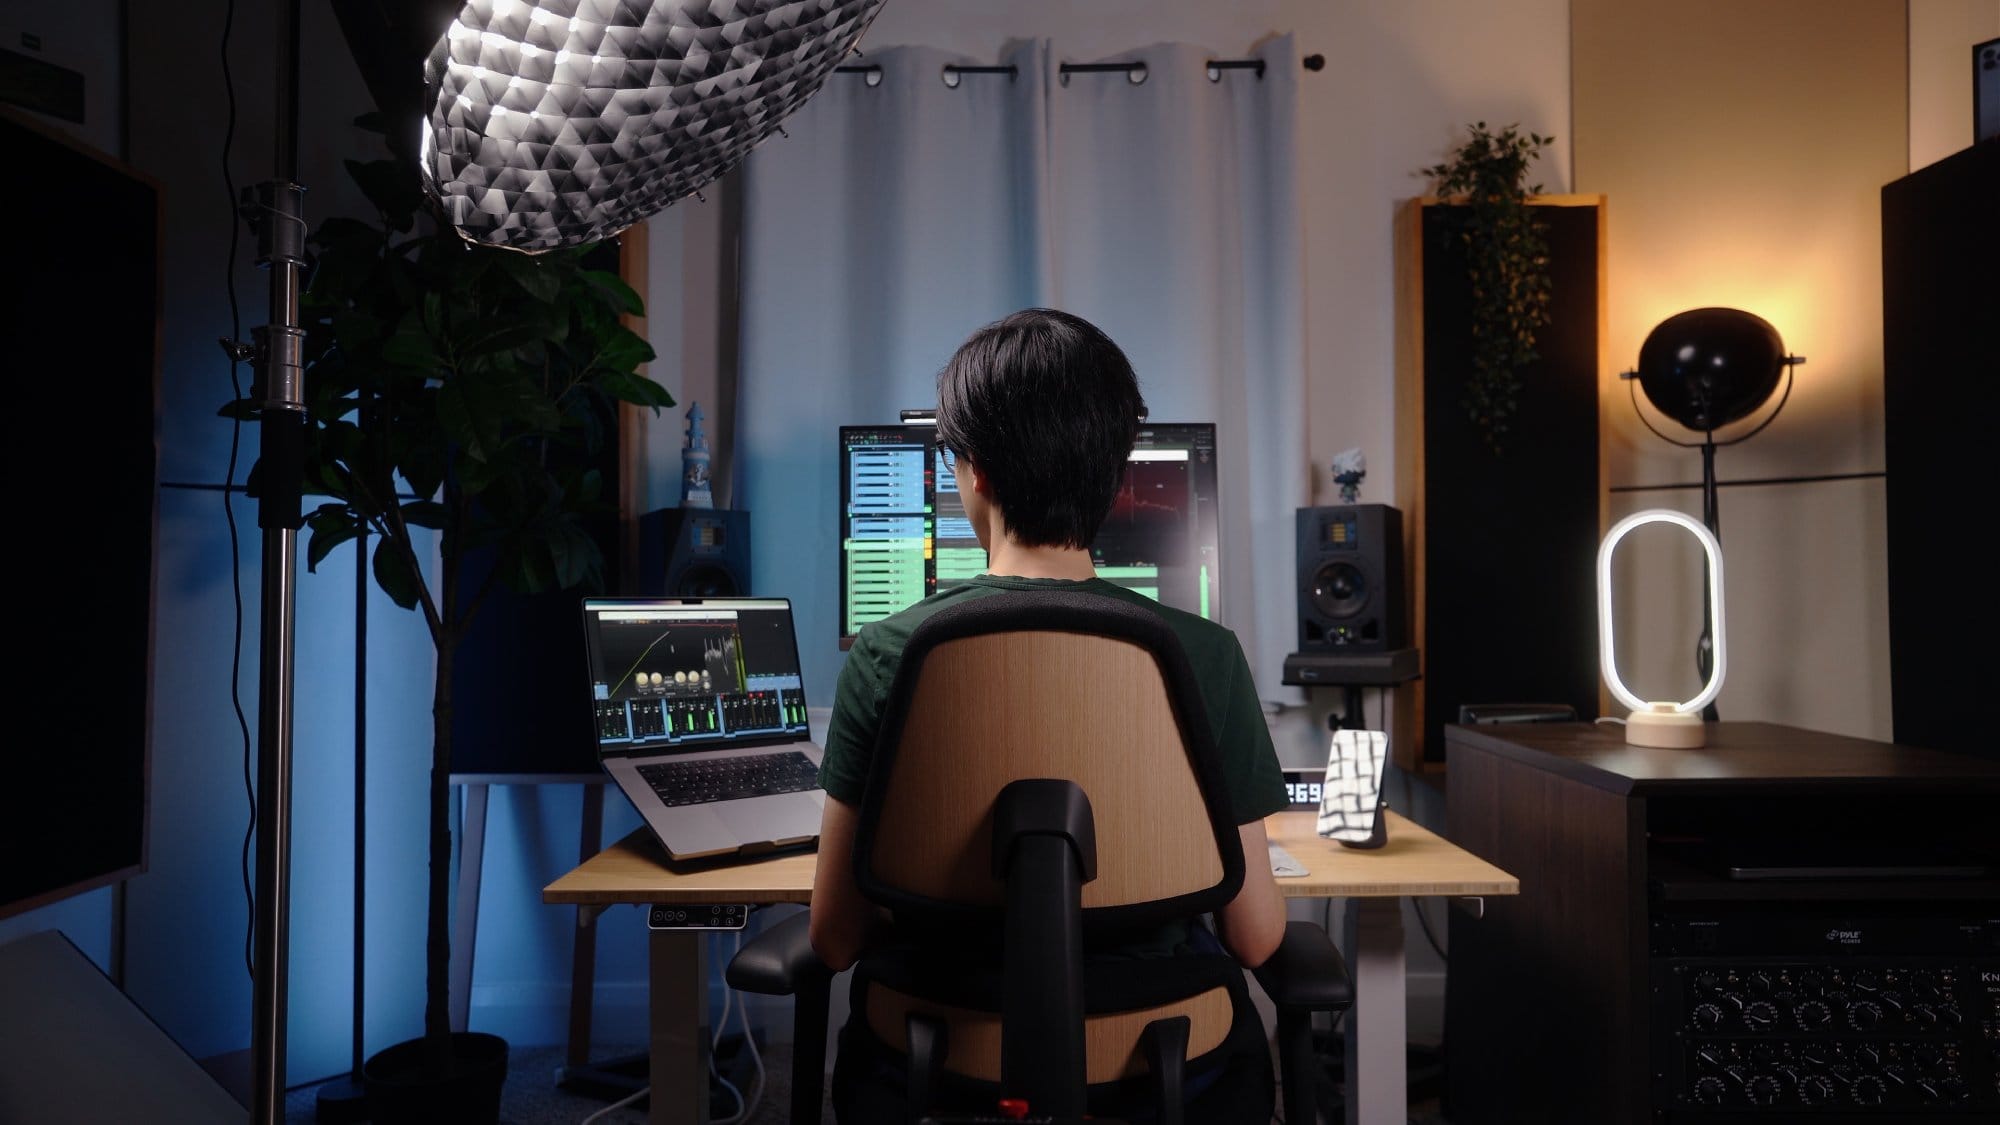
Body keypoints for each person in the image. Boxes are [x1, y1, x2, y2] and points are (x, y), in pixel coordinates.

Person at [808, 307, 1288, 1120]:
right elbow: (1257, 936)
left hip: (935, 1054)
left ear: (974, 473)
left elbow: (835, 936)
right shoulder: (1204, 655)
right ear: (1114, 473)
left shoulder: (889, 654)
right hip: (1164, 1058)